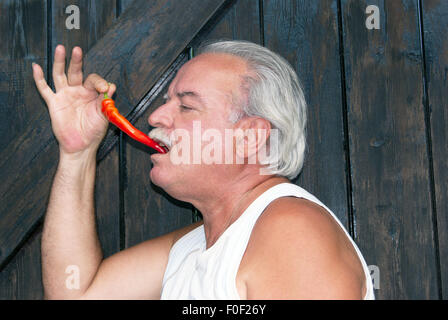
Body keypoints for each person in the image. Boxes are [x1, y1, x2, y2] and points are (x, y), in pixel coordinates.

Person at [32, 40, 374, 300]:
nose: (156, 118)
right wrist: (77, 153)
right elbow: (76, 293)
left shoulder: (292, 231)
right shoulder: (199, 243)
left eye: (186, 105)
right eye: (168, 101)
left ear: (250, 137)